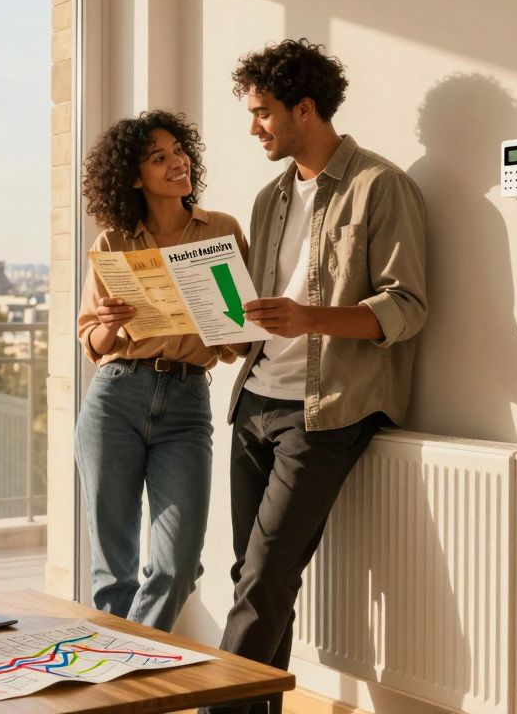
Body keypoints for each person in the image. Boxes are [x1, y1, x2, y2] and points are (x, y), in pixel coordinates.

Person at [212, 39, 428, 714]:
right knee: (254, 577)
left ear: (304, 109)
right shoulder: (269, 198)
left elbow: (407, 307)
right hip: (253, 400)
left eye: (263, 113)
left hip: (325, 408)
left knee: (263, 578)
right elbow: (261, 308)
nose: (254, 128)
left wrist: (310, 319)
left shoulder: (381, 186)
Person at [75, 110, 248, 633]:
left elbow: (241, 341)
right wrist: (109, 324)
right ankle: (125, 675)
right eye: (159, 157)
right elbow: (92, 342)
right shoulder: (113, 243)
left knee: (177, 565)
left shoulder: (222, 231)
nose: (178, 162)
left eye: (179, 151)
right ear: (134, 178)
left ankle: (123, 655)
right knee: (114, 571)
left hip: (187, 402)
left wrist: (217, 311)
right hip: (116, 397)